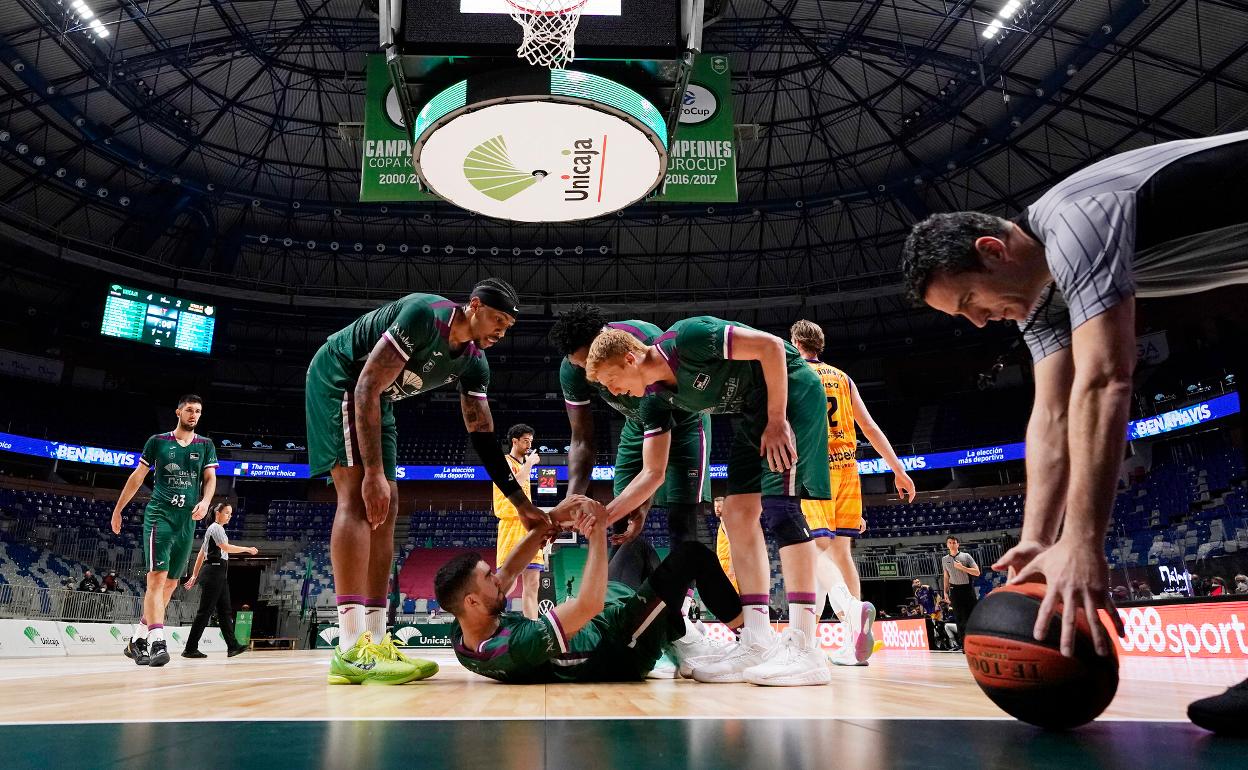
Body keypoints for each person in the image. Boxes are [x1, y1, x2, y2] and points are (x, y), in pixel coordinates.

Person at [900, 133, 1248, 674]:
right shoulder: (1042, 299)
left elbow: (1106, 378)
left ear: (993, 251)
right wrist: (1038, 539)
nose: (978, 321)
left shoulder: (1074, 220)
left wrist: (1084, 540)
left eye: (971, 301)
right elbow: (1051, 415)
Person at [307, 280, 587, 685]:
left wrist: (523, 506)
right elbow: (366, 384)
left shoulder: (475, 362)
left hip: (376, 399)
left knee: (387, 511)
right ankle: (350, 646)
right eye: (497, 319)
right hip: (343, 380)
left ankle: (377, 639)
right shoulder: (424, 315)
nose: (500, 331)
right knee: (358, 499)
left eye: (507, 326)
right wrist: (371, 473)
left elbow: (483, 435)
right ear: (473, 306)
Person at [585, 316, 832, 686]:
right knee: (735, 513)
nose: (615, 393)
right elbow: (652, 474)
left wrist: (778, 419)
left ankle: (805, 647)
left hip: (789, 396)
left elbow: (773, 347)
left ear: (630, 359)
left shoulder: (689, 338)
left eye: (612, 381)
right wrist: (603, 516)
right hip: (753, 412)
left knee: (782, 510)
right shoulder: (655, 400)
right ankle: (757, 639)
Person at [436, 498, 734, 684]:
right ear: (473, 600)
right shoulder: (516, 646)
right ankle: (750, 639)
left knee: (636, 547)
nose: (498, 579)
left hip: (602, 620)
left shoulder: (463, 628)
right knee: (692, 554)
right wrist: (597, 530)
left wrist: (550, 520)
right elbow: (588, 605)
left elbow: (511, 569)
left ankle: (677, 635)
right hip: (620, 646)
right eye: (489, 578)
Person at [790, 319, 917, 666]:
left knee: (814, 550)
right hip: (848, 466)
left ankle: (849, 610)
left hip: (814, 466)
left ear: (795, 342)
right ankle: (848, 643)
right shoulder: (843, 378)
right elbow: (870, 426)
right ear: (820, 345)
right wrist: (898, 469)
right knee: (841, 552)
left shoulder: (794, 372)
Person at [551, 304, 712, 552]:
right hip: (638, 424)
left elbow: (653, 470)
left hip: (683, 419)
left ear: (603, 341)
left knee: (682, 518)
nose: (587, 372)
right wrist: (572, 500)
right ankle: (620, 589)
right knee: (623, 516)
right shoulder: (573, 369)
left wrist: (644, 500)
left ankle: (683, 591)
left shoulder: (645, 341)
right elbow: (582, 439)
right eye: (580, 366)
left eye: (588, 362)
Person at [110, 394, 218, 667]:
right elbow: (138, 476)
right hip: (160, 516)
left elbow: (210, 478)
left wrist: (206, 502)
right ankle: (158, 641)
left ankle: (136, 640)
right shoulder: (157, 441)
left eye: (199, 411)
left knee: (170, 585)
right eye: (190, 410)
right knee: (156, 579)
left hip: (187, 521)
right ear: (178, 412)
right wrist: (118, 509)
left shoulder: (206, 445)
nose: (194, 415)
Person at [182, 502, 255, 658]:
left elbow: (201, 555)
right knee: (205, 612)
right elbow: (225, 547)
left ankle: (232, 646)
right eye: (227, 512)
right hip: (214, 572)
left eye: (230, 513)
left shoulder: (213, 530)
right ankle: (189, 648)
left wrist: (195, 575)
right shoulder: (216, 528)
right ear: (218, 513)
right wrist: (247, 549)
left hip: (217, 573)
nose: (230, 516)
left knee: (224, 611)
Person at [493, 423, 543, 619]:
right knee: (508, 582)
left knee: (533, 582)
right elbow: (512, 486)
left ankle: (534, 628)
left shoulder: (523, 464)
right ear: (514, 441)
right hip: (510, 525)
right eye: (525, 441)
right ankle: (487, 623)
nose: (529, 444)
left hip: (528, 526)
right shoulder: (503, 462)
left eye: (531, 441)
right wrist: (530, 464)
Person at [941, 536, 980, 649]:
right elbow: (946, 576)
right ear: (947, 545)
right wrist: (945, 592)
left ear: (958, 544)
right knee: (959, 618)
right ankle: (965, 645)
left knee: (971, 616)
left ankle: (975, 643)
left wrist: (962, 568)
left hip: (967, 589)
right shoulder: (944, 559)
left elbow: (977, 572)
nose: (952, 544)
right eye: (950, 542)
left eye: (954, 542)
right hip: (954, 590)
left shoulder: (966, 556)